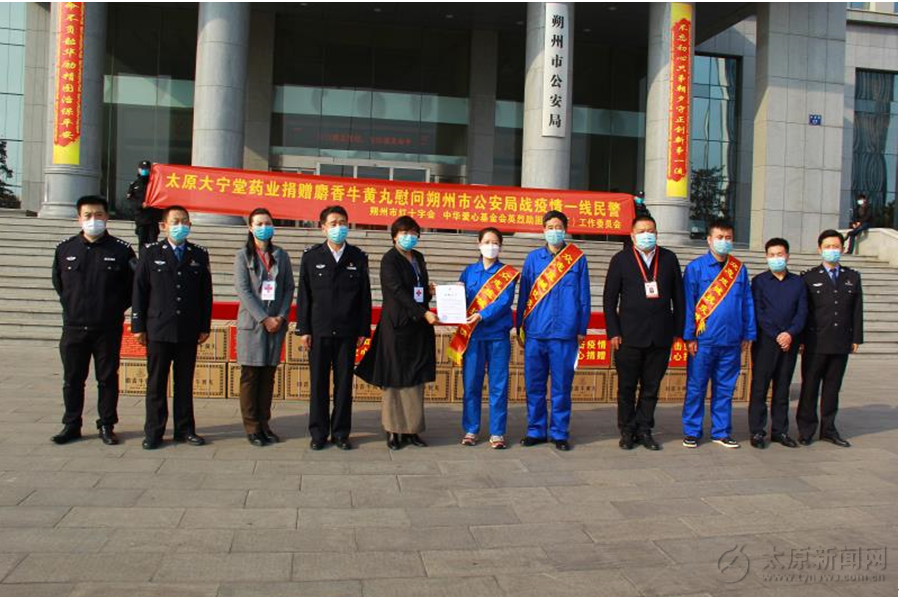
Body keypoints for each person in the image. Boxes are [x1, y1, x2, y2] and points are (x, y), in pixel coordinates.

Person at [50, 196, 136, 445]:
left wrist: (112, 309)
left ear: (107, 217)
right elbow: (59, 284)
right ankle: (71, 424)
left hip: (106, 327)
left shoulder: (121, 250)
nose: (93, 220)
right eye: (88, 215)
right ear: (79, 218)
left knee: (107, 379)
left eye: (98, 215)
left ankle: (106, 424)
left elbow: (132, 288)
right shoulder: (65, 249)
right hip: (74, 327)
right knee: (72, 379)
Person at [132, 205, 213, 450]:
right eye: (175, 221)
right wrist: (138, 325)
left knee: (184, 382)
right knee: (156, 382)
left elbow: (205, 294)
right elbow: (140, 291)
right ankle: (154, 431)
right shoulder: (150, 252)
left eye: (185, 221)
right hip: (158, 327)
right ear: (163, 226)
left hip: (187, 328)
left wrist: (204, 325)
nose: (181, 225)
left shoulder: (198, 254)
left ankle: (185, 429)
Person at [355, 216, 438, 450]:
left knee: (415, 379)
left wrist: (429, 293)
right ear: (394, 236)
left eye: (413, 232)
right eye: (404, 232)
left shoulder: (418, 257)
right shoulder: (389, 260)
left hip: (418, 328)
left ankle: (412, 430)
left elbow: (417, 290)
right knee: (394, 380)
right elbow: (398, 292)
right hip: (397, 327)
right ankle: (393, 431)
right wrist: (424, 312)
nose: (409, 237)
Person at [603, 215, 684, 451]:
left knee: (651, 387)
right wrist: (613, 331)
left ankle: (645, 429)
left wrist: (677, 330)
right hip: (628, 336)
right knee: (626, 388)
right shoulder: (620, 260)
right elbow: (609, 300)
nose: (646, 235)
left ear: (657, 234)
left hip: (661, 336)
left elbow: (679, 298)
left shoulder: (669, 258)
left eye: (650, 231)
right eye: (641, 231)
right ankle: (627, 430)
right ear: (632, 235)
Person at [296, 206, 372, 451]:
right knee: (318, 384)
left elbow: (365, 296)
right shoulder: (311, 256)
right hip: (319, 331)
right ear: (323, 228)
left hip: (348, 331)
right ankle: (318, 432)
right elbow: (304, 295)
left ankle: (341, 433)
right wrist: (304, 329)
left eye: (343, 223)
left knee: (344, 384)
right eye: (333, 223)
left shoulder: (358, 257)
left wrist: (363, 330)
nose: (339, 227)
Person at [516, 211, 590, 451]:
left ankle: (559, 432)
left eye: (558, 227)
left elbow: (584, 297)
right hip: (536, 332)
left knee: (561, 387)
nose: (554, 231)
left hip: (564, 334)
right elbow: (524, 295)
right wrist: (520, 327)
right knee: (534, 386)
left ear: (565, 229)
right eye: (550, 227)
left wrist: (581, 328)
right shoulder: (533, 259)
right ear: (543, 230)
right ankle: (535, 430)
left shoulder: (577, 259)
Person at [681, 219, 755, 449]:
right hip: (703, 341)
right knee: (696, 387)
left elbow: (747, 303)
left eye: (728, 238)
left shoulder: (739, 269)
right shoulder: (695, 268)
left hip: (731, 340)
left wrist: (748, 333)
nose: (724, 241)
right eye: (719, 237)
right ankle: (692, 431)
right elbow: (688, 304)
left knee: (725, 389)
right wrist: (689, 336)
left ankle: (721, 432)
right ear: (709, 240)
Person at [450, 228, 519, 450]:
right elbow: (459, 300)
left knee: (498, 386)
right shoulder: (469, 272)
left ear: (501, 246)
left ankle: (497, 432)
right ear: (478, 244)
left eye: (495, 242)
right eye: (487, 241)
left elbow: (504, 302)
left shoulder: (507, 274)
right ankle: (471, 429)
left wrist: (482, 315)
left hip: (497, 336)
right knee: (471, 384)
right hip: (473, 337)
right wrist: (453, 294)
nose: (491, 246)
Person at [796, 230, 863, 447]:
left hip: (840, 341)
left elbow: (857, 310)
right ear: (820, 249)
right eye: (827, 247)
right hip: (815, 342)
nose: (832, 250)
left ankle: (829, 429)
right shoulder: (809, 277)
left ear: (842, 249)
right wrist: (801, 339)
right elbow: (804, 311)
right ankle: (806, 429)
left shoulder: (852, 277)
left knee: (832, 388)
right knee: (810, 388)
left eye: (836, 246)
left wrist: (856, 338)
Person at [234, 208, 294, 447]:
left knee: (268, 375)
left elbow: (288, 287)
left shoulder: (281, 255)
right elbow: (243, 291)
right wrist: (264, 318)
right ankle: (252, 426)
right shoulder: (242, 256)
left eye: (268, 223)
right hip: (252, 325)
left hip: (276, 324)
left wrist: (280, 316)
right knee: (251, 375)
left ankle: (264, 424)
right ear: (250, 228)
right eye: (259, 223)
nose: (264, 227)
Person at [748, 238, 807, 449]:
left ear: (787, 256)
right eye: (772, 255)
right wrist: (777, 335)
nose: (776, 258)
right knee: (759, 389)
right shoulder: (759, 281)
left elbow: (802, 312)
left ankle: (780, 431)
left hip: (789, 343)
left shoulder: (798, 282)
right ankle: (757, 431)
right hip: (766, 343)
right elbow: (759, 312)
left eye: (780, 254)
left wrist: (790, 333)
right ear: (766, 257)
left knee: (782, 389)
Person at [125, 160, 161, 257]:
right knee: (142, 242)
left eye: (147, 169)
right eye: (142, 169)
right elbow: (131, 201)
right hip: (141, 219)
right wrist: (141, 205)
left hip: (153, 219)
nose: (145, 171)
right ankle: (142, 261)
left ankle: (153, 261)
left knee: (153, 242)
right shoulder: (134, 184)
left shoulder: (155, 184)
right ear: (139, 170)